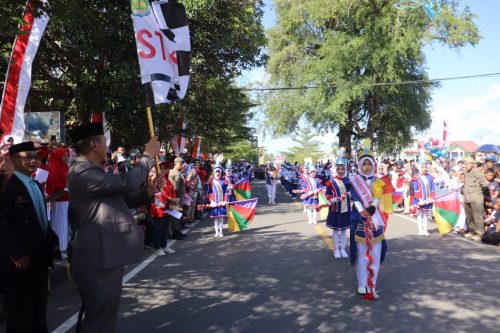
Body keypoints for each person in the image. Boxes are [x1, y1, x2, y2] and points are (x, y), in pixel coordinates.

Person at [67, 123, 160, 332]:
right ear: (94, 144)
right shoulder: (82, 171)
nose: (108, 147)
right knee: (99, 322)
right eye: (104, 142)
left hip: (104, 256)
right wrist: (147, 156)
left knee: (101, 318)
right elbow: (126, 183)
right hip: (97, 257)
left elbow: (120, 199)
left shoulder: (91, 171)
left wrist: (148, 191)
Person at [0, 142, 59, 332]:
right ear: (13, 160)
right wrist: (16, 252)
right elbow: (2, 223)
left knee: (38, 309)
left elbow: (41, 219)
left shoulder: (33, 183)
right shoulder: (7, 185)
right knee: (20, 314)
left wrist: (52, 240)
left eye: (36, 157)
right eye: (28, 157)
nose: (34, 161)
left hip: (38, 258)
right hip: (19, 262)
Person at [349, 148, 391, 300]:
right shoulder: (354, 181)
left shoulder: (379, 181)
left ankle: (372, 284)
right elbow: (355, 199)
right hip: (361, 222)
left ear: (373, 165)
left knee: (375, 255)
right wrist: (363, 212)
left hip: (376, 222)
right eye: (364, 164)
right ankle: (362, 284)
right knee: (361, 256)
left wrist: (372, 208)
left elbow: (378, 197)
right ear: (360, 165)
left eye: (369, 163)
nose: (367, 166)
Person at [46, 147, 71, 258]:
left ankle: (63, 246)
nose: (66, 157)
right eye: (64, 155)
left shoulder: (65, 167)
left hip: (67, 199)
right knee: (59, 225)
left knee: (64, 224)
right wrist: (64, 188)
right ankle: (59, 249)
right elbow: (53, 186)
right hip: (59, 201)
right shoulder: (52, 168)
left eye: (67, 155)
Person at [325, 155, 351, 259]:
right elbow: (327, 194)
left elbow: (353, 193)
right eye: (338, 169)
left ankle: (343, 249)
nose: (340, 171)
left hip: (346, 209)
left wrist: (349, 194)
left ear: (345, 169)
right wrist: (331, 199)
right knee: (335, 230)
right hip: (335, 209)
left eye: (342, 168)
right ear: (335, 170)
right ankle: (336, 249)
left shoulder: (349, 181)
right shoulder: (331, 182)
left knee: (344, 230)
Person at [463, 156, 489, 241]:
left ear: (473, 164)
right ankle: (472, 231)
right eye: (465, 163)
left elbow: (484, 184)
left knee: (477, 216)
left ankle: (479, 233)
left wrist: (477, 191)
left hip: (476, 197)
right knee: (469, 216)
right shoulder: (466, 172)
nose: (465, 165)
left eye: (467, 163)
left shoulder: (477, 171)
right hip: (467, 197)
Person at [410, 163, 435, 236]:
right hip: (420, 200)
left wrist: (431, 197)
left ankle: (425, 230)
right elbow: (416, 189)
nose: (424, 168)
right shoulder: (416, 177)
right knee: (420, 214)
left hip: (428, 199)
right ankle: (420, 230)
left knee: (425, 215)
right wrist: (420, 199)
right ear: (419, 168)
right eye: (422, 167)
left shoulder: (430, 177)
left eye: (425, 167)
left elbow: (433, 188)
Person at [207, 158, 229, 237]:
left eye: (219, 171)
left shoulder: (224, 180)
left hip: (222, 202)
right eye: (216, 171)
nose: (217, 173)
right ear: (214, 172)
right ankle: (216, 232)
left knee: (221, 218)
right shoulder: (211, 181)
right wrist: (211, 201)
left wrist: (225, 200)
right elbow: (209, 192)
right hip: (215, 202)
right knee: (216, 218)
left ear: (220, 172)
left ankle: (221, 232)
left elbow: (226, 191)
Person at [168, 157, 187, 240]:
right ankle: (175, 233)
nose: (181, 165)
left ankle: (177, 231)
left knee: (178, 215)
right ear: (176, 164)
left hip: (179, 197)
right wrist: (175, 198)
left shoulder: (177, 172)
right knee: (176, 215)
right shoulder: (176, 173)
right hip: (176, 197)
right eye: (180, 164)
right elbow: (175, 188)